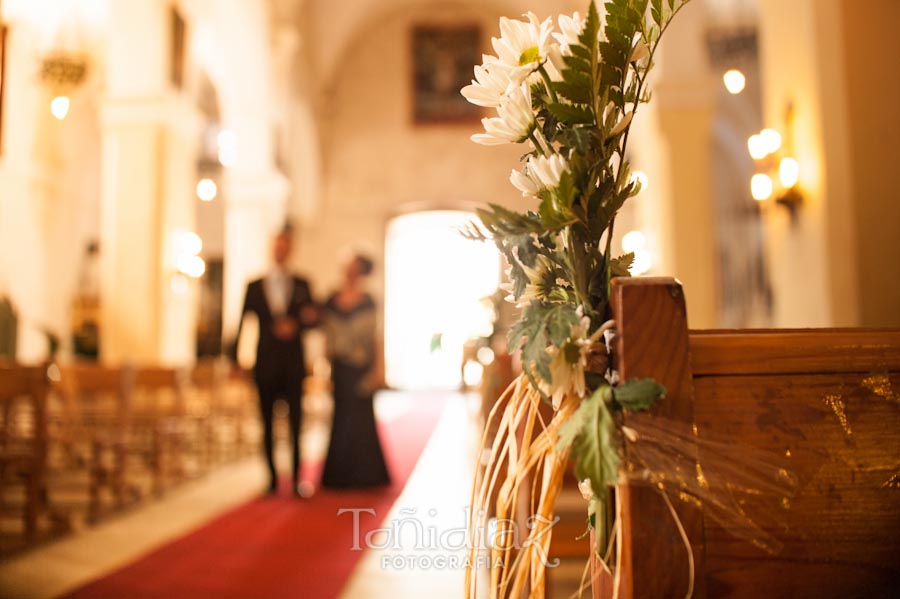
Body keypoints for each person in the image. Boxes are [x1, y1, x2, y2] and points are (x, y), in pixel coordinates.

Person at [232, 225, 318, 497]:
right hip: (265, 364)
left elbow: (314, 320)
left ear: (290, 249)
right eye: (277, 245)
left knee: (295, 423)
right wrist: (234, 359)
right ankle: (270, 480)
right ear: (272, 248)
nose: (281, 250)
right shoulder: (255, 286)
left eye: (285, 245)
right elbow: (241, 324)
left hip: (293, 364)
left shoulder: (303, 284)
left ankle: (295, 480)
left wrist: (297, 325)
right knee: (266, 423)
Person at [321, 252, 391, 489]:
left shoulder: (369, 300)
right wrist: (324, 369)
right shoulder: (331, 299)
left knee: (362, 419)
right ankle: (338, 475)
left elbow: (376, 337)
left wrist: (379, 369)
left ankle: (366, 475)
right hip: (340, 368)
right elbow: (326, 338)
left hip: (362, 367)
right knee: (340, 417)